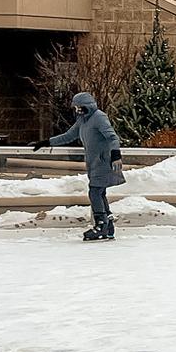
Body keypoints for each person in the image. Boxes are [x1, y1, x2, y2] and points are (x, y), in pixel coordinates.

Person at [33, 92, 125, 242]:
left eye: (79, 107)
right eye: (76, 108)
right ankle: (108, 226)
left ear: (87, 106)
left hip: (104, 161)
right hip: (93, 162)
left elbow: (112, 137)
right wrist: (46, 142)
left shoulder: (99, 117)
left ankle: (101, 225)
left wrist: (116, 155)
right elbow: (68, 136)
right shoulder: (82, 120)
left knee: (95, 192)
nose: (77, 111)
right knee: (99, 193)